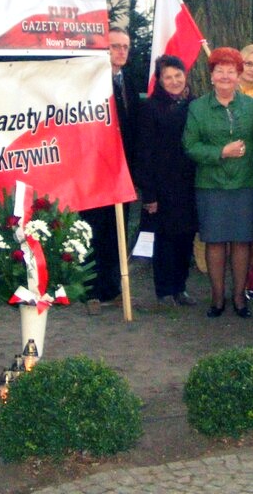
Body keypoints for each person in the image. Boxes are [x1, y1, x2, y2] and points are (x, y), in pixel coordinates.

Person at [182, 47, 253, 319]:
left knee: (242, 241)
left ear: (239, 75)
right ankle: (217, 297)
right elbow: (190, 146)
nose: (225, 76)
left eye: (231, 71)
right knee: (215, 242)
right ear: (211, 76)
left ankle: (239, 297)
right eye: (220, 71)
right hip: (211, 185)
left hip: (245, 184)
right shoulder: (197, 108)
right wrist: (220, 152)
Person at [83, 27, 140, 313]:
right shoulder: (91, 82)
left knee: (118, 231)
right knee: (95, 230)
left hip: (122, 170)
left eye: (125, 46)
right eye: (115, 46)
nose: (121, 51)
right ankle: (92, 291)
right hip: (94, 170)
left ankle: (114, 287)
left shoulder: (128, 80)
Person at [135, 55, 198, 307]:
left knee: (186, 237)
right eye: (168, 77)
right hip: (162, 186)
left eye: (178, 75)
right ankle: (164, 290)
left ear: (185, 76)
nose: (174, 81)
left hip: (191, 184)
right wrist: (149, 193)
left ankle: (181, 287)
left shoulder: (196, 105)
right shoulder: (150, 108)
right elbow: (144, 152)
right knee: (165, 239)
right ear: (159, 81)